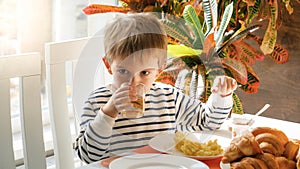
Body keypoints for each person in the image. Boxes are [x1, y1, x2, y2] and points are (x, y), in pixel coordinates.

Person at [74, 13, 237, 163]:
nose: (134, 83)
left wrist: (221, 97)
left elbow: (208, 123)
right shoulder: (98, 102)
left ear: (159, 69)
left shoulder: (168, 97)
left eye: (144, 73)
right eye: (123, 71)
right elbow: (88, 156)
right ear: (108, 65)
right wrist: (108, 113)